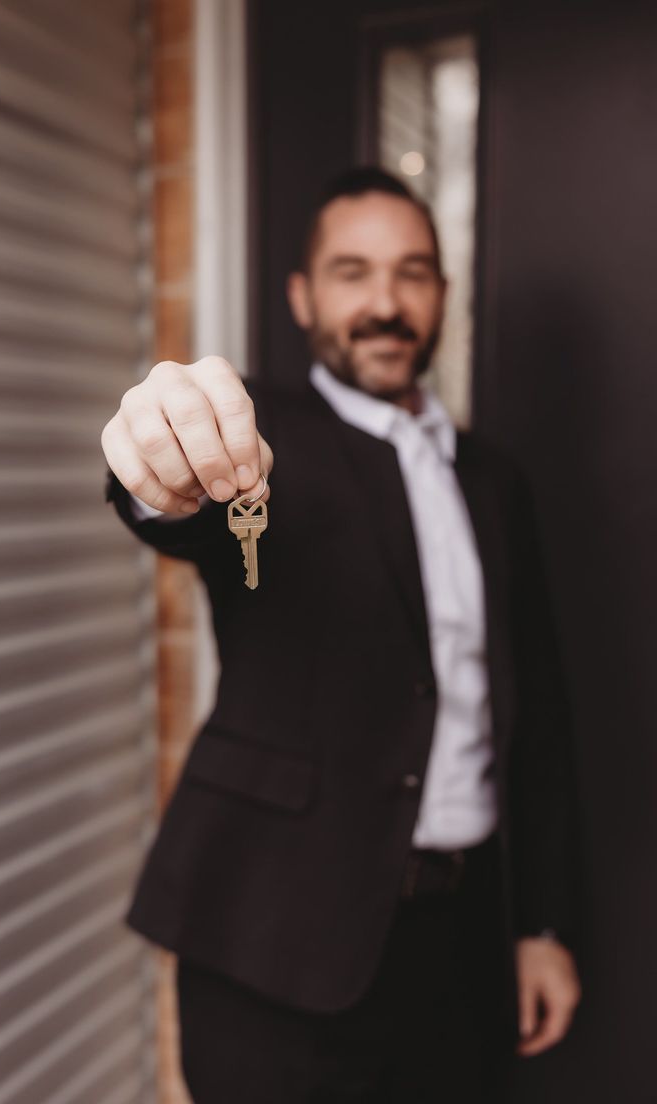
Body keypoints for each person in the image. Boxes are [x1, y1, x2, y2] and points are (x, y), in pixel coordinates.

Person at [101, 167, 581, 1103]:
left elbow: (540, 716)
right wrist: (160, 467)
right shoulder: (258, 439)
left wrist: (544, 927)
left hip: (463, 950)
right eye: (353, 272)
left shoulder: (496, 481)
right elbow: (173, 501)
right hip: (277, 943)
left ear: (442, 294)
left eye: (412, 273)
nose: (385, 304)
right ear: (303, 296)